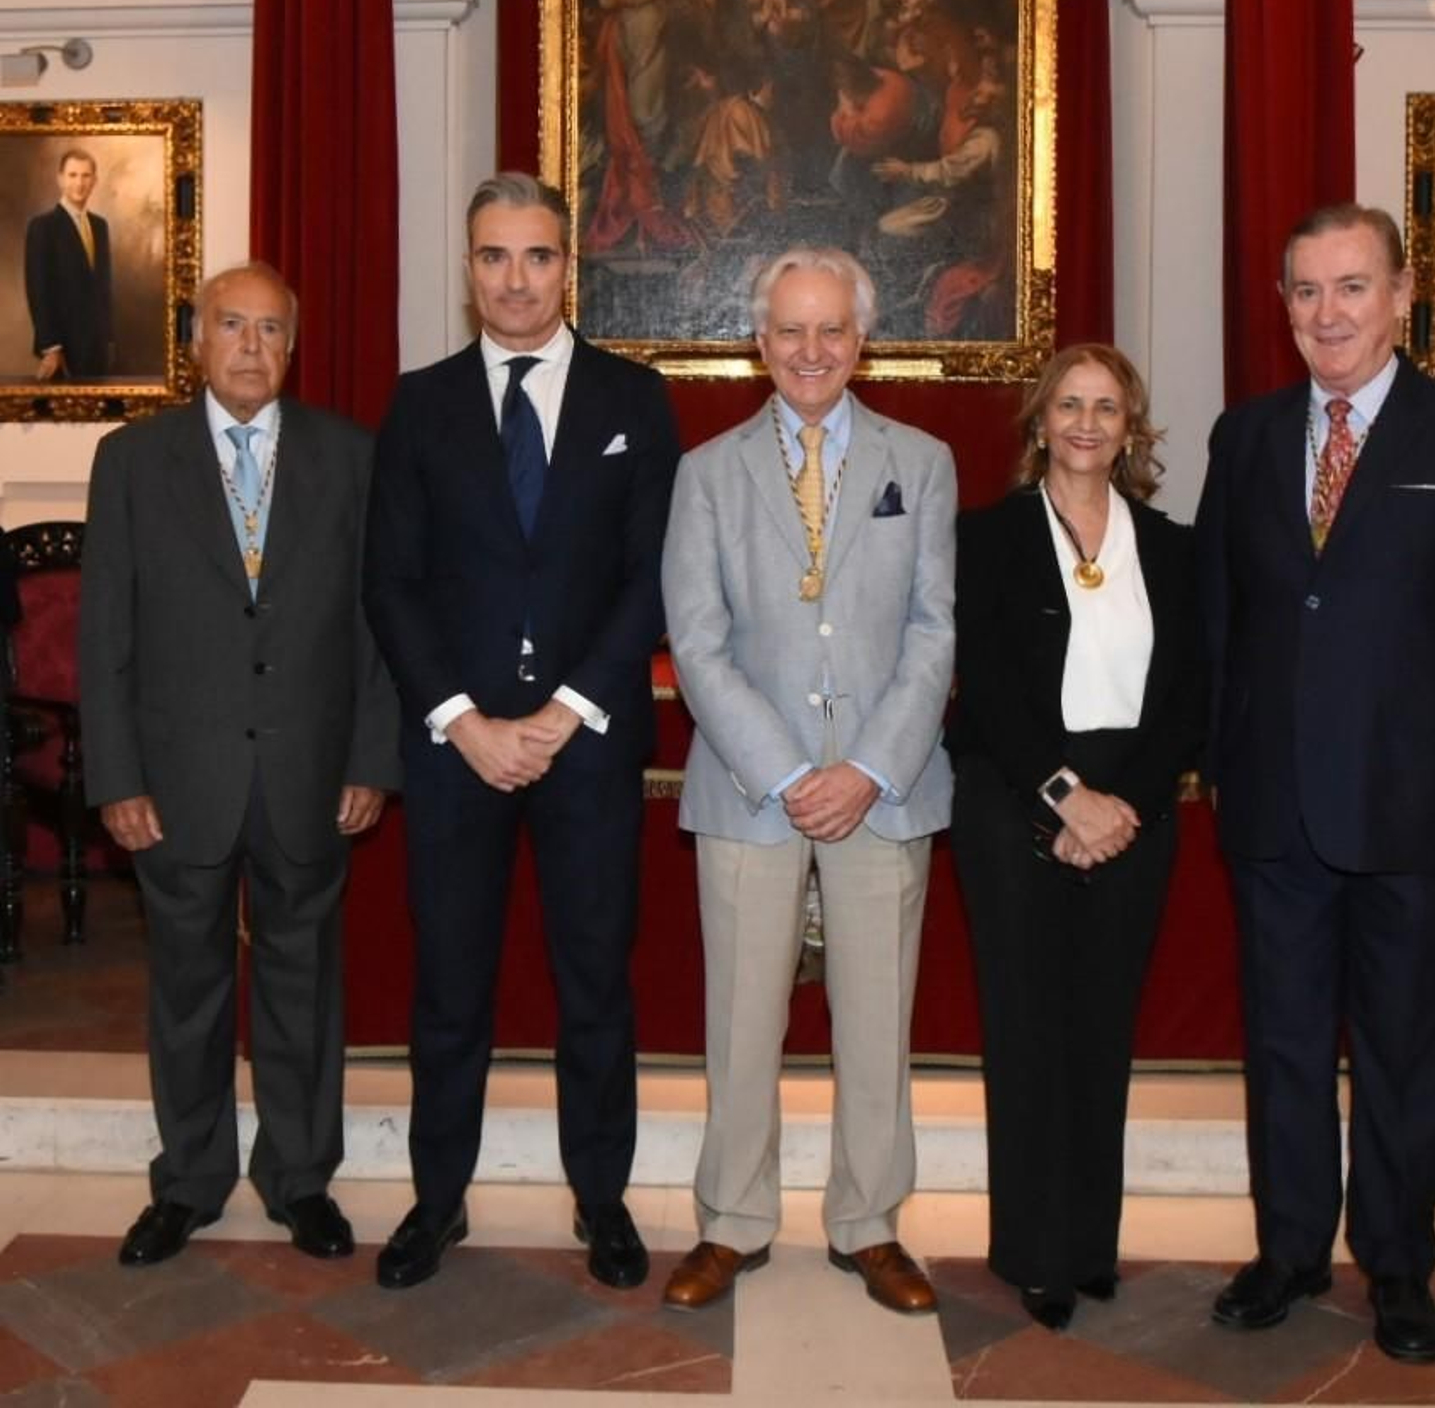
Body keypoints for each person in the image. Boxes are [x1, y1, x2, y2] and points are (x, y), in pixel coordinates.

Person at [1196, 203, 1435, 1365]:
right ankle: (1289, 1250)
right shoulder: (1243, 439)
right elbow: (1218, 623)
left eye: (1351, 287)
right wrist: (1216, 763)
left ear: (1402, 296)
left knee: (1404, 1050)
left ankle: (1397, 1263)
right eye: (1304, 291)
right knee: (1285, 1046)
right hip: (1274, 811)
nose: (1326, 313)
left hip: (1419, 813)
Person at [363, 172, 680, 1292]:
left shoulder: (635, 402)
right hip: (456, 754)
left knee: (595, 979)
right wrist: (461, 721)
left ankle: (603, 1200)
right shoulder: (420, 403)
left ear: (566, 266)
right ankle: (434, 1201)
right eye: (493, 257)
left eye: (536, 256)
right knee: (450, 984)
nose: (514, 278)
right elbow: (391, 583)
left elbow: (651, 580)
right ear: (468, 269)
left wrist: (557, 714)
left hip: (587, 745)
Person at [79, 261, 399, 1268]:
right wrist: (117, 777)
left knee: (304, 986)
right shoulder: (132, 460)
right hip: (177, 782)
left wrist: (371, 757)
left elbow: (374, 624)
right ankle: (188, 1181)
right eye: (232, 325)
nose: (252, 347)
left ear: (292, 346)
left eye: (272, 329)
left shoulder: (349, 456)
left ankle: (301, 1179)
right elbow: (105, 636)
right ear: (197, 340)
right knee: (187, 986)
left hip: (311, 771)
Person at [659, 246, 956, 1317]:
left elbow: (934, 633)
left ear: (861, 340)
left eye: (831, 329)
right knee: (740, 1018)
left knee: (876, 1018)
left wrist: (868, 769)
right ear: (759, 341)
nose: (811, 349)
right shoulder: (707, 472)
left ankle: (867, 1223)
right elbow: (696, 643)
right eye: (790, 329)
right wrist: (789, 771)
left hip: (886, 787)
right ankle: (732, 1222)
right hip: (750, 787)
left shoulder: (919, 460)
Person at [947, 344, 1204, 1333]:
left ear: (1131, 427)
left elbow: (1188, 697)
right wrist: (1064, 799)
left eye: (1107, 407)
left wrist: (1117, 805)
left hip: (1133, 810)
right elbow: (990, 687)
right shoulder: (990, 536)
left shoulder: (1172, 547)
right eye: (1069, 405)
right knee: (1027, 1031)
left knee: (1103, 1030)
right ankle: (1033, 1251)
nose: (1087, 423)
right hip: (1015, 803)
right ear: (1038, 423)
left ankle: (1089, 1245)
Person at [25, 147, 114, 380]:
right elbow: (38, 290)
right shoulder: (43, 227)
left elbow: (102, 288)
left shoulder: (100, 226)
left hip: (97, 348)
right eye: (73, 175)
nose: (80, 183)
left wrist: (107, 338)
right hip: (61, 351)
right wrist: (51, 347)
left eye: (86, 176)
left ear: (94, 181)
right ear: (60, 179)